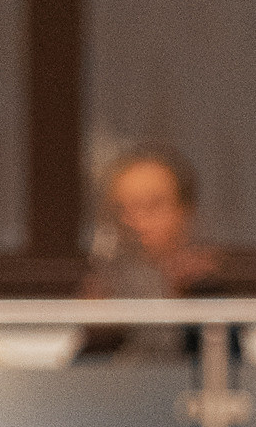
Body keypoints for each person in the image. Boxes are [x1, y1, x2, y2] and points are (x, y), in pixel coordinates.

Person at [79, 146, 219, 361]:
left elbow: (230, 368)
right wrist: (100, 331)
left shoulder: (208, 285)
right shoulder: (103, 286)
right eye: (122, 208)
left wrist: (193, 297)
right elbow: (83, 377)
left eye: (153, 205)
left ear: (185, 212)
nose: (135, 220)